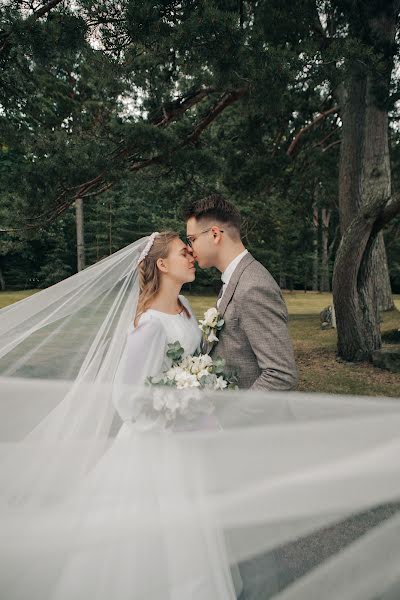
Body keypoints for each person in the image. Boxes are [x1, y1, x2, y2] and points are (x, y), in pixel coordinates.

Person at [185, 193, 298, 391]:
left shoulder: (254, 287)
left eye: (192, 239)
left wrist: (232, 415)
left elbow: (281, 375)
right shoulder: (235, 278)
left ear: (214, 234)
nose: (190, 247)